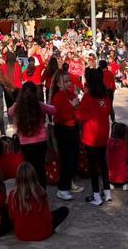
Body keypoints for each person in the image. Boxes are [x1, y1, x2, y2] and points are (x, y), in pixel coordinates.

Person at [8, 82, 56, 188]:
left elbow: (10, 112)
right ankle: (42, 191)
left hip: (25, 142)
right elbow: (53, 110)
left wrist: (17, 102)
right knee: (40, 167)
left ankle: (31, 191)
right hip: (40, 140)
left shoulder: (18, 106)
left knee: (28, 168)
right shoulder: (39, 105)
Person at [76, 68, 112, 206]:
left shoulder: (88, 97)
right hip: (103, 134)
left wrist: (75, 107)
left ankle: (97, 195)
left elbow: (80, 116)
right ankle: (107, 192)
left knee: (93, 167)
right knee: (103, 164)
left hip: (91, 136)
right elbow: (108, 110)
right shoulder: (105, 96)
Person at [7, 163, 69, 241]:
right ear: (34, 177)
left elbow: (12, 217)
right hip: (42, 234)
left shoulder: (12, 195)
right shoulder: (40, 193)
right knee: (64, 210)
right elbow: (48, 218)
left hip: (21, 234)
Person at [50, 72, 81, 200]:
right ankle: (62, 188)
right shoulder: (58, 97)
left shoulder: (71, 94)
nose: (69, 83)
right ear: (58, 84)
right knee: (66, 158)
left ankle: (69, 182)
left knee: (73, 157)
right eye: (65, 81)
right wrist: (72, 107)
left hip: (73, 127)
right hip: (63, 129)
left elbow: (77, 112)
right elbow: (61, 116)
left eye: (69, 81)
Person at [107, 122, 128, 189]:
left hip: (110, 176)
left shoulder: (109, 142)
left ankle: (111, 184)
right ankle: (125, 184)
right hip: (123, 176)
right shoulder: (124, 145)